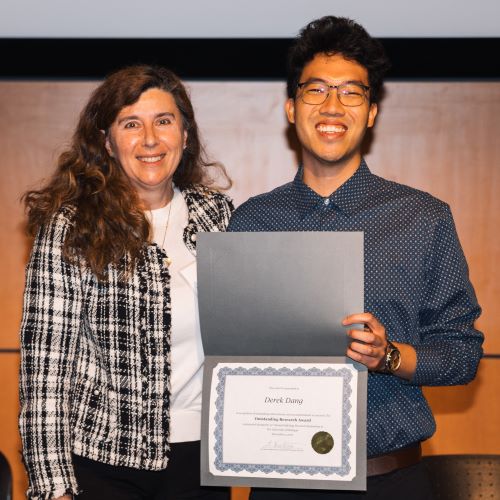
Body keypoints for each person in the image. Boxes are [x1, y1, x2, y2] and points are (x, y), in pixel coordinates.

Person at [228, 16, 483, 499]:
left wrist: (389, 357)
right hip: (279, 483)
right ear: (290, 106)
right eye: (316, 90)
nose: (332, 106)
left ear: (370, 113)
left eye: (351, 93)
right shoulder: (252, 222)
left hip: (390, 481)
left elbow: (463, 354)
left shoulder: (422, 218)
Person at [19, 65, 233, 500]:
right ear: (107, 142)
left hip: (203, 460)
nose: (150, 139)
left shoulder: (220, 217)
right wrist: (52, 485)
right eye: (131, 124)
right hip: (102, 464)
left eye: (164, 121)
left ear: (185, 135)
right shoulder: (71, 226)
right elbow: (44, 370)